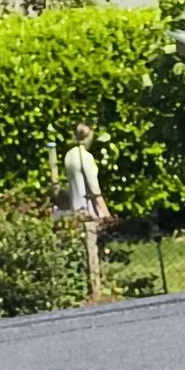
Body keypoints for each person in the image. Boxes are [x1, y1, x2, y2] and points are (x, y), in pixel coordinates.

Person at [61, 120, 108, 300]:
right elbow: (95, 191)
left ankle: (83, 288)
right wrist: (106, 214)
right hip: (89, 214)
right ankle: (95, 290)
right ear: (89, 136)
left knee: (80, 253)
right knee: (93, 255)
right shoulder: (85, 158)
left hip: (75, 211)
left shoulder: (69, 155)